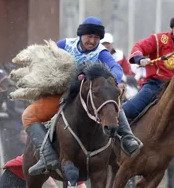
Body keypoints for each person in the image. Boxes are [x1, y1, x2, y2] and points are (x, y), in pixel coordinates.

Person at [23, 16, 142, 175]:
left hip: (87, 99)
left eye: (96, 37)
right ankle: (47, 156)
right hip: (59, 93)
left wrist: (113, 79)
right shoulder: (64, 45)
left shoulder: (101, 52)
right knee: (28, 115)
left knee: (110, 101)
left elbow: (115, 67)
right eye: (89, 36)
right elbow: (46, 60)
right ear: (81, 35)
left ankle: (127, 138)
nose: (92, 41)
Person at [125, 11, 174, 167]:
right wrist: (141, 58)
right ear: (172, 28)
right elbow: (138, 47)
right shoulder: (158, 39)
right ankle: (120, 139)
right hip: (154, 85)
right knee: (128, 110)